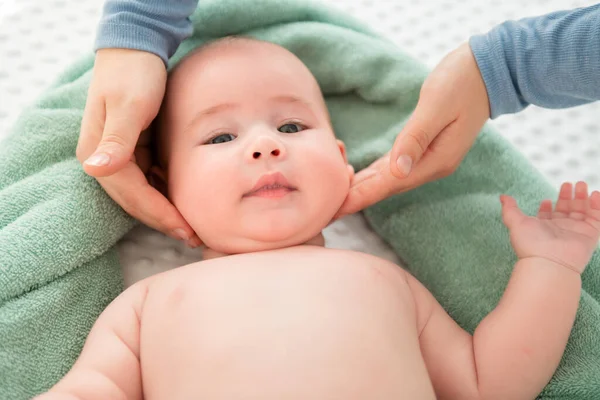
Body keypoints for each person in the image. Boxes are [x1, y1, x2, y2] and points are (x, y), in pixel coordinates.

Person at [40, 37, 600, 400]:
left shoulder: (386, 282)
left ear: (341, 159)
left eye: (290, 128)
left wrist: (549, 267)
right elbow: (91, 387)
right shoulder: (147, 304)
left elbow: (490, 383)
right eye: (220, 136)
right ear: (162, 188)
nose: (263, 147)